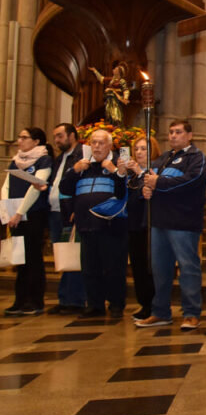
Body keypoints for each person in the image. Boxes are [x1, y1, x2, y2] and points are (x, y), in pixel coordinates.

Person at [135, 120, 206, 329]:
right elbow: (147, 178)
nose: (173, 136)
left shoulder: (197, 158)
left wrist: (159, 183)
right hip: (159, 222)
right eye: (170, 132)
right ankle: (160, 312)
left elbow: (191, 181)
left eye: (178, 132)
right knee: (160, 269)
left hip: (183, 223)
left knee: (188, 268)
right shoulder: (163, 159)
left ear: (189, 135)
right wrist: (145, 188)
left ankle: (191, 313)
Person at [60, 129, 128, 317]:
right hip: (86, 224)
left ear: (110, 145)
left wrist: (115, 171)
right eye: (93, 143)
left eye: (101, 143)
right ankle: (95, 305)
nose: (96, 146)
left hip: (111, 226)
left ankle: (116, 305)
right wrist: (74, 171)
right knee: (90, 268)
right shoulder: (82, 166)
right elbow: (64, 187)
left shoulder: (118, 164)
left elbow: (124, 192)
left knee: (113, 267)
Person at [2, 128, 53, 315]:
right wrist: (7, 212)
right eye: (19, 137)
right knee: (19, 259)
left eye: (24, 138)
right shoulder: (17, 160)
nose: (19, 141)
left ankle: (35, 301)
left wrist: (19, 212)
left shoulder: (43, 160)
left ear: (36, 141)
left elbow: (35, 188)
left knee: (32, 258)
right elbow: (6, 186)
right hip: (14, 216)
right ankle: (20, 300)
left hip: (32, 214)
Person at [47, 122, 86, 314]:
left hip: (70, 212)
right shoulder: (60, 157)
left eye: (60, 136)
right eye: (55, 136)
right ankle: (65, 299)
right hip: (55, 212)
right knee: (63, 256)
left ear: (72, 136)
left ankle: (76, 300)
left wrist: (77, 208)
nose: (56, 140)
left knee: (74, 256)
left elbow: (80, 184)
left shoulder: (82, 156)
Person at [124, 135, 158, 320]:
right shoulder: (131, 173)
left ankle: (154, 304)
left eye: (143, 148)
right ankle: (144, 303)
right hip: (133, 223)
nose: (138, 152)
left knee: (150, 266)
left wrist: (138, 173)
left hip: (150, 224)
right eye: (136, 149)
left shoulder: (155, 170)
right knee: (137, 266)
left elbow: (147, 195)